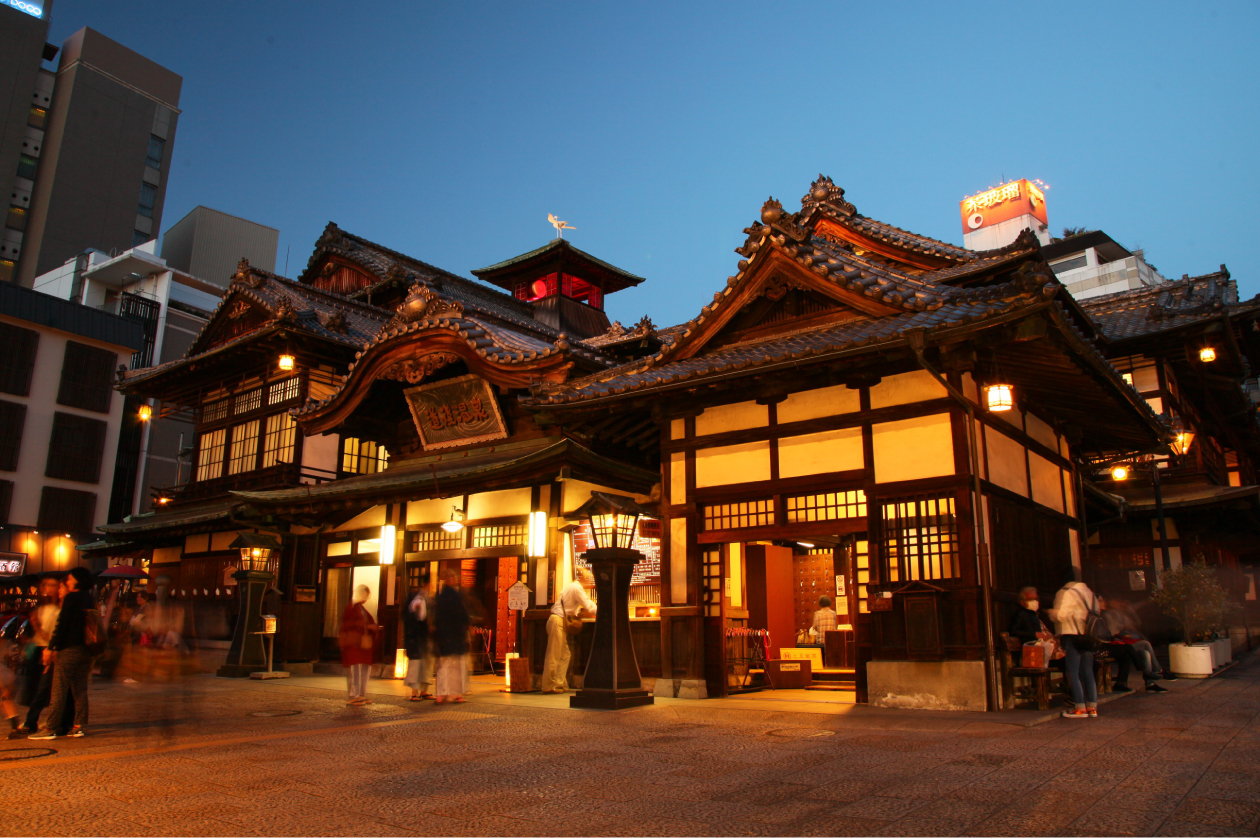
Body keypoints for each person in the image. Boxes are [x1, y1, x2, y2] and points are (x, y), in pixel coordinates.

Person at [30, 567, 96, 740]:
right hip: (85, 650)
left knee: (58, 690)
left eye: (70, 578)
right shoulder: (89, 598)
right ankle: (78, 726)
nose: (67, 581)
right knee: (80, 690)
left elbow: (62, 625)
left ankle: (50, 728)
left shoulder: (72, 598)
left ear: (77, 580)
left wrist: (51, 647)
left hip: (68, 649)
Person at [17, 578, 74, 737]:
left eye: (52, 585)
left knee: (45, 688)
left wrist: (38, 628)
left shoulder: (60, 609)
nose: (48, 588)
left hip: (51, 651)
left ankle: (32, 722)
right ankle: (55, 721)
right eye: (45, 585)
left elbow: (54, 635)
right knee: (39, 687)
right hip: (39, 650)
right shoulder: (41, 607)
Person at [1049, 574, 1100, 719]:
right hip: (1088, 636)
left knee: (1073, 672)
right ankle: (1092, 707)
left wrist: (1052, 613)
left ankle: (1079, 707)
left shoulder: (1065, 592)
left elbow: (1062, 615)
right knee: (1088, 672)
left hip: (1072, 634)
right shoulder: (1089, 593)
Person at [542, 567, 596, 695]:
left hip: (558, 621)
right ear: (582, 578)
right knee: (554, 654)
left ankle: (559, 683)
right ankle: (549, 685)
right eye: (589, 579)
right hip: (558, 621)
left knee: (565, 654)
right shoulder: (576, 588)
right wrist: (604, 612)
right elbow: (588, 605)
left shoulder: (571, 587)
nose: (590, 582)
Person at [1101, 596, 1169, 694]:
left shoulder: (1118, 613)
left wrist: (1130, 612)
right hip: (1115, 645)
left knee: (1145, 653)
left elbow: (1135, 624)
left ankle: (1150, 684)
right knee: (1145, 644)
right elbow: (1111, 633)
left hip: (1123, 644)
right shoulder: (1106, 615)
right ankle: (1157, 671)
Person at [433, 569, 470, 703]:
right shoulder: (455, 595)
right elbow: (462, 615)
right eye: (453, 577)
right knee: (456, 667)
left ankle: (441, 693)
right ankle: (455, 693)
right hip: (455, 635)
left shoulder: (441, 595)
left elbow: (437, 617)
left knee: (444, 666)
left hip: (444, 635)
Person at [337, 585, 378, 706]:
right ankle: (353, 695)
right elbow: (349, 624)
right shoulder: (351, 607)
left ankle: (361, 694)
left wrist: (371, 626)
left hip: (362, 643)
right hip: (353, 642)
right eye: (366, 595)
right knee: (355, 668)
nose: (366, 598)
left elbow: (368, 621)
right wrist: (366, 626)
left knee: (364, 667)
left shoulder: (360, 608)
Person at [402, 589, 433, 701]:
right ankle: (414, 692)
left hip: (423, 638)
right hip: (416, 639)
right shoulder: (415, 605)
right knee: (416, 665)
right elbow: (414, 621)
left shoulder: (427, 603)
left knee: (426, 664)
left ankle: (423, 690)